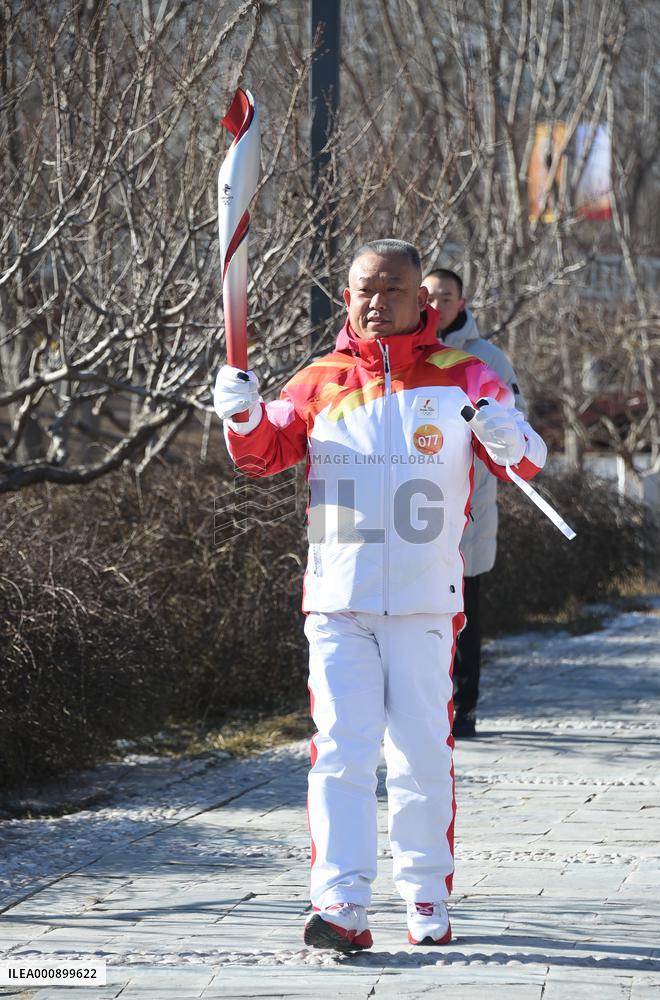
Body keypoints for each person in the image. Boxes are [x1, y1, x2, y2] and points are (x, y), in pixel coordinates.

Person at [213, 240, 547, 953]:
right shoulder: (319, 380)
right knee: (340, 751)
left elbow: (527, 457)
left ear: (421, 300)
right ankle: (340, 903)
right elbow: (261, 455)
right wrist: (240, 415)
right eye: (365, 289)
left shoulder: (464, 375)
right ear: (348, 297)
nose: (376, 301)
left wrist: (505, 433)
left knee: (421, 753)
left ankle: (426, 894)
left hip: (426, 603)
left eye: (392, 288)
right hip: (339, 600)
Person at [421, 269, 527, 739]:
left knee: (465, 616)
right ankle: (423, 707)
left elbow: (517, 428)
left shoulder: (486, 359)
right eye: (431, 295)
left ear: (462, 301)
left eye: (447, 296)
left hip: (470, 507)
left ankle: (464, 708)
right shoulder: (405, 351)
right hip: (414, 512)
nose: (438, 303)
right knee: (419, 617)